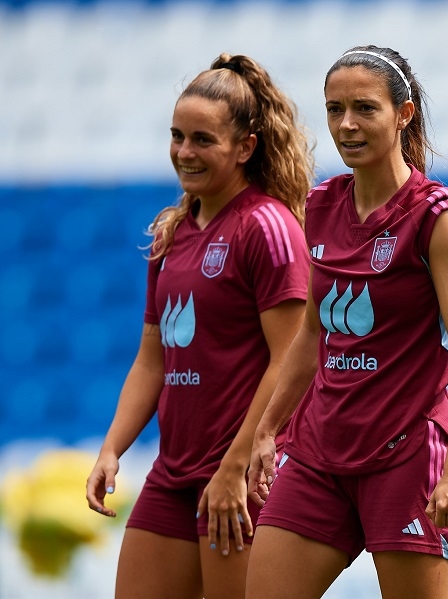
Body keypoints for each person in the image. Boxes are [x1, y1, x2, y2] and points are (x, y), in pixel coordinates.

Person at [243, 45, 448, 599]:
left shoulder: (438, 219)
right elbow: (312, 332)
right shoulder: (320, 205)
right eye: (334, 109)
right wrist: (268, 428)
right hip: (316, 453)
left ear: (404, 114)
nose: (346, 124)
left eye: (364, 108)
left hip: (404, 456)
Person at [85, 53, 315, 599]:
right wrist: (112, 447)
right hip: (174, 473)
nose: (184, 152)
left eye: (203, 140)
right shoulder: (171, 235)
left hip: (240, 475)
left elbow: (291, 359)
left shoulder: (268, 228)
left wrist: (236, 467)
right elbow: (153, 358)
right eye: (177, 136)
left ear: (246, 147)